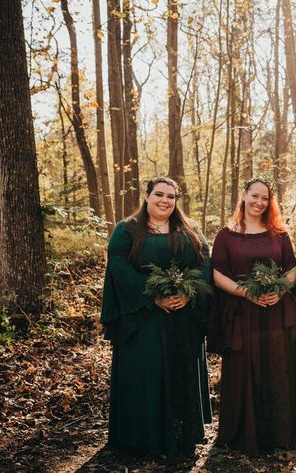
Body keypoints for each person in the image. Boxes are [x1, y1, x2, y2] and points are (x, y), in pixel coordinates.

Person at [100, 176, 212, 458]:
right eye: (159, 195)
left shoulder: (190, 229)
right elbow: (117, 264)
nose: (165, 201)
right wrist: (153, 295)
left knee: (180, 372)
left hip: (183, 317)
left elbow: (205, 261)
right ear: (147, 197)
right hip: (142, 316)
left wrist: (189, 293)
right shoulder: (126, 230)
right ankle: (142, 439)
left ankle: (180, 437)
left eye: (171, 197)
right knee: (147, 373)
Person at [209, 177, 296, 456]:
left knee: (278, 367)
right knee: (245, 369)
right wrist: (245, 293)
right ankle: (244, 433)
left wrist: (280, 289)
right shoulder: (225, 235)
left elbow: (291, 268)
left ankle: (281, 432)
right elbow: (217, 274)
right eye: (255, 196)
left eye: (265, 198)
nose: (259, 203)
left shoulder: (279, 234)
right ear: (244, 195)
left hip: (275, 313)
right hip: (242, 315)